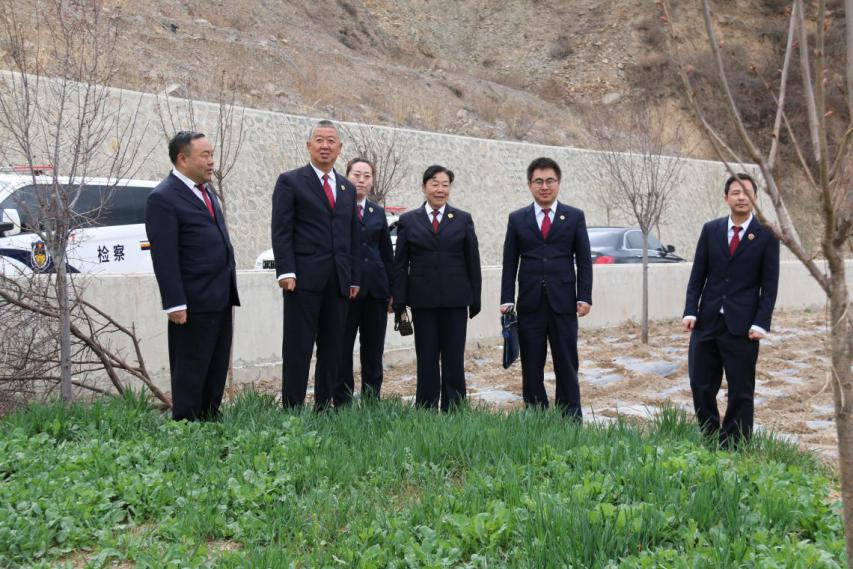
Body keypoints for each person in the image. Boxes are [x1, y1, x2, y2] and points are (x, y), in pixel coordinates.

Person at [145, 131, 240, 421]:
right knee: (191, 365)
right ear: (182, 159)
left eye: (212, 154)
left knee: (215, 363)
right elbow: (164, 256)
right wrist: (174, 303)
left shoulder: (206, 191)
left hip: (220, 294)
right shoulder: (163, 197)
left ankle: (210, 416)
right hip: (192, 300)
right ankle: (186, 422)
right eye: (204, 155)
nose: (211, 161)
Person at [683, 173, 780, 447]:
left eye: (747, 192)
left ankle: (735, 444)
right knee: (700, 384)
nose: (741, 197)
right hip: (707, 321)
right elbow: (697, 275)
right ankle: (711, 436)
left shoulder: (766, 234)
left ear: (755, 198)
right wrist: (690, 310)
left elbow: (769, 285)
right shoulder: (711, 230)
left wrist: (761, 323)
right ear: (726, 198)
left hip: (743, 326)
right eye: (736, 192)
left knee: (740, 389)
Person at [271, 119, 360, 410]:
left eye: (331, 141)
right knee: (298, 347)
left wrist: (353, 277)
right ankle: (292, 408)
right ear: (309, 145)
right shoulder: (290, 181)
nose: (325, 146)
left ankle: (324, 407)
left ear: (340, 148)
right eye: (319, 140)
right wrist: (286, 270)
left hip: (338, 281)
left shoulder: (347, 188)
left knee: (332, 348)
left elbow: (352, 236)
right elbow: (281, 230)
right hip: (302, 280)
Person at [499, 157, 592, 420]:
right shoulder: (518, 219)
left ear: (558, 183)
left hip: (564, 303)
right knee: (531, 364)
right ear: (530, 184)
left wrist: (585, 296)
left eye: (550, 181)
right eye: (538, 181)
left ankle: (570, 417)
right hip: (530, 303)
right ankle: (536, 415)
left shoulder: (574, 216)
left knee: (567, 362)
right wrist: (507, 298)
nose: (544, 186)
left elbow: (584, 260)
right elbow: (510, 261)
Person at [392, 165, 481, 411]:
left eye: (445, 184)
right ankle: (426, 408)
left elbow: (473, 261)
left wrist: (475, 299)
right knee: (426, 358)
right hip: (423, 302)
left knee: (454, 357)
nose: (440, 189)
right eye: (434, 183)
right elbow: (400, 264)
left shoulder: (462, 219)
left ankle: (455, 408)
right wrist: (399, 302)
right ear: (424, 187)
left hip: (455, 301)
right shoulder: (408, 221)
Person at [333, 157, 394, 405]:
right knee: (341, 349)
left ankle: (372, 400)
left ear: (372, 181)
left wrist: (392, 291)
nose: (361, 180)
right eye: (356, 175)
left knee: (373, 350)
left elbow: (386, 254)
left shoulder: (377, 212)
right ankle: (343, 401)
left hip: (375, 291)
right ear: (346, 177)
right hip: (345, 290)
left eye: (366, 176)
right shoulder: (337, 208)